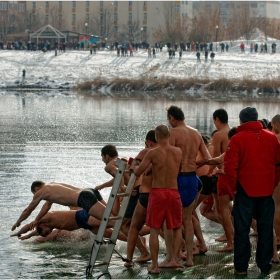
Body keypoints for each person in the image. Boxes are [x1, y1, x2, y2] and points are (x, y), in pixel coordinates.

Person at [224, 107, 280, 275]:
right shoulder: (271, 138)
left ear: (241, 121)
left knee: (242, 230)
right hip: (266, 190)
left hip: (244, 191)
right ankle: (265, 265)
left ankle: (241, 268)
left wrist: (233, 188)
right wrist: (273, 183)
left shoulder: (237, 139)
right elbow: (278, 165)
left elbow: (230, 168)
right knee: (265, 228)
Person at [130, 124, 184, 274]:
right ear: (169, 136)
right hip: (174, 192)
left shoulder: (152, 153)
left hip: (158, 193)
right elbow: (178, 170)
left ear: (157, 137)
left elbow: (139, 171)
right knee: (177, 226)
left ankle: (154, 266)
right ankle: (175, 260)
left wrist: (133, 169)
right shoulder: (178, 151)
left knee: (154, 229)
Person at [166, 105, 209, 267]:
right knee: (188, 219)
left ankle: (173, 258)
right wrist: (192, 165)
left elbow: (168, 159)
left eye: (169, 120)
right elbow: (206, 157)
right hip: (192, 179)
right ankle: (189, 258)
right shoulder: (196, 133)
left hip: (178, 180)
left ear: (172, 118)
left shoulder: (173, 133)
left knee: (172, 220)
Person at [96, 144, 150, 261]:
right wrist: (103, 185)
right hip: (144, 188)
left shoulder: (109, 165)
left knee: (124, 225)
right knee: (137, 224)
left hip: (135, 192)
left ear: (107, 156)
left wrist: (123, 188)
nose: (102, 160)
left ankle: (144, 253)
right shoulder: (124, 159)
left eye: (102, 157)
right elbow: (121, 175)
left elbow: (118, 174)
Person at [11, 181, 114, 232]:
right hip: (90, 191)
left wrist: (18, 222)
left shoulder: (40, 193)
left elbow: (27, 211)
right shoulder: (52, 187)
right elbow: (46, 208)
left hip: (84, 198)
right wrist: (37, 219)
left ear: (37, 189)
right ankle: (128, 223)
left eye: (34, 194)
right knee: (114, 215)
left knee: (111, 221)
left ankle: (129, 227)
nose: (36, 197)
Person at [125, 130, 158, 267]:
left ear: (149, 142)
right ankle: (179, 253)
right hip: (161, 193)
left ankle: (129, 260)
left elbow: (133, 167)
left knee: (132, 227)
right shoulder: (169, 152)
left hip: (145, 193)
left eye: (145, 143)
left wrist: (133, 168)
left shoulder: (148, 152)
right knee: (162, 228)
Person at [11, 207, 127, 242]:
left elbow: (30, 225)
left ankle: (130, 223)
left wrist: (19, 231)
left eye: (47, 232)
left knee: (115, 224)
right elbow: (38, 231)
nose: (49, 233)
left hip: (83, 216)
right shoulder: (48, 226)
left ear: (41, 224)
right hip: (86, 225)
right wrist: (28, 236)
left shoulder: (46, 217)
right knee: (112, 234)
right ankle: (136, 240)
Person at [211, 109, 234, 251]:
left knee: (221, 208)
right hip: (234, 174)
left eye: (214, 121)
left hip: (222, 173)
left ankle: (230, 239)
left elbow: (215, 158)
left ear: (217, 119)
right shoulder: (233, 131)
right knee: (230, 207)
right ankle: (234, 236)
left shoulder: (218, 135)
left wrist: (210, 171)